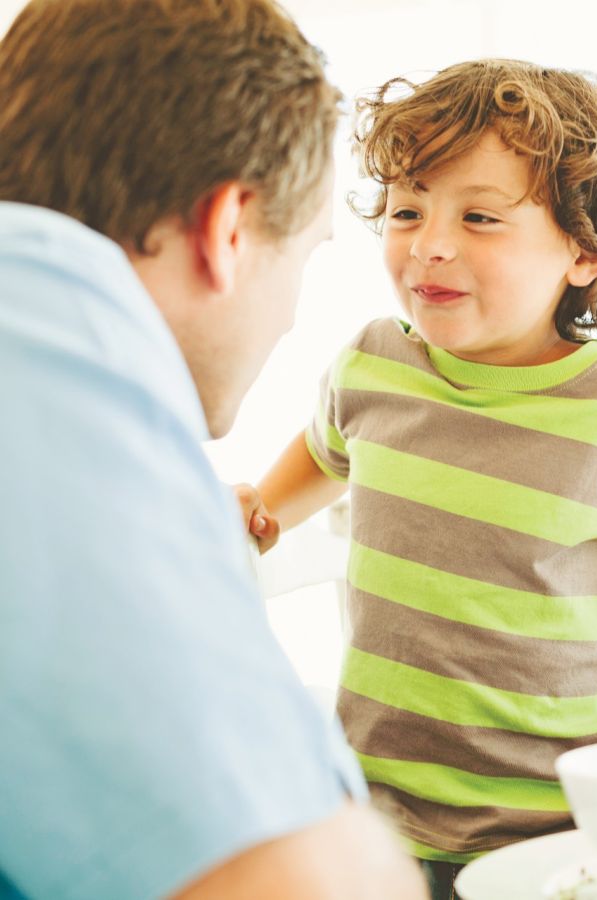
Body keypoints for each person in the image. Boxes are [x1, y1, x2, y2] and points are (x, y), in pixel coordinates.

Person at [238, 59, 597, 896]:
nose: (430, 244)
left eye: (480, 217)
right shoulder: (373, 364)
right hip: (378, 821)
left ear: (585, 252)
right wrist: (262, 508)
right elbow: (325, 450)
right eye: (407, 210)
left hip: (559, 837)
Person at [0, 1, 426, 898]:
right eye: (308, 254)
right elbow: (308, 882)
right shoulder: (42, 334)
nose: (295, 313)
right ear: (228, 228)